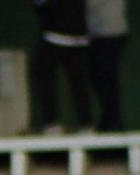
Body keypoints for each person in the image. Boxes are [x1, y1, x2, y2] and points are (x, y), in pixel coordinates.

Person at [31, 0, 92, 134]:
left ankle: (51, 123)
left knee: (43, 75)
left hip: (56, 35)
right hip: (78, 35)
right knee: (78, 81)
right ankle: (86, 124)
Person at [86, 0, 127, 132]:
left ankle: (112, 121)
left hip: (110, 33)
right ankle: (110, 119)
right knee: (100, 77)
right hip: (100, 34)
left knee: (106, 78)